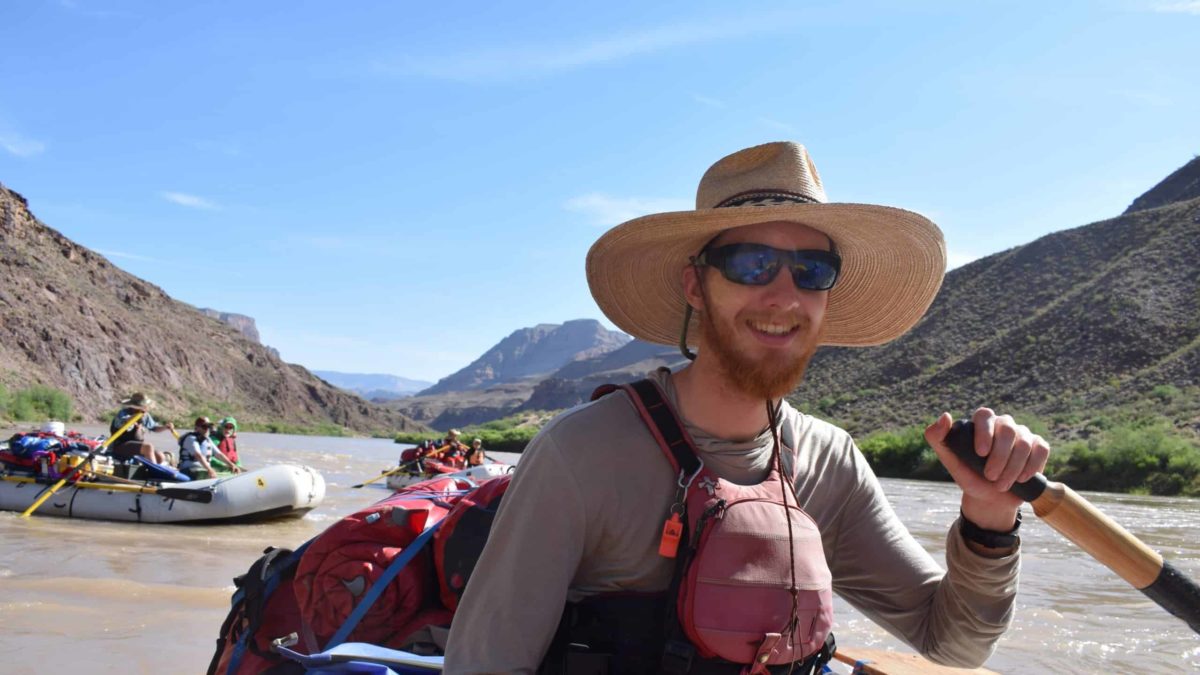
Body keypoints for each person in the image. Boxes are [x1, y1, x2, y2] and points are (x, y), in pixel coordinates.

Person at [446, 142, 1050, 674]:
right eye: (751, 263)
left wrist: (990, 520)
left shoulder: (829, 462)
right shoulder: (580, 454)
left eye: (812, 270)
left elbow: (955, 644)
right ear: (695, 286)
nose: (784, 295)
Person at [108, 392, 175, 465]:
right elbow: (121, 422)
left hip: (137, 446)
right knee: (148, 447)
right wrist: (134, 418)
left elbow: (154, 427)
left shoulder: (144, 415)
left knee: (160, 457)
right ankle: (153, 470)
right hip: (120, 445)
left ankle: (150, 467)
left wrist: (165, 427)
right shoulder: (123, 413)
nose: (146, 409)